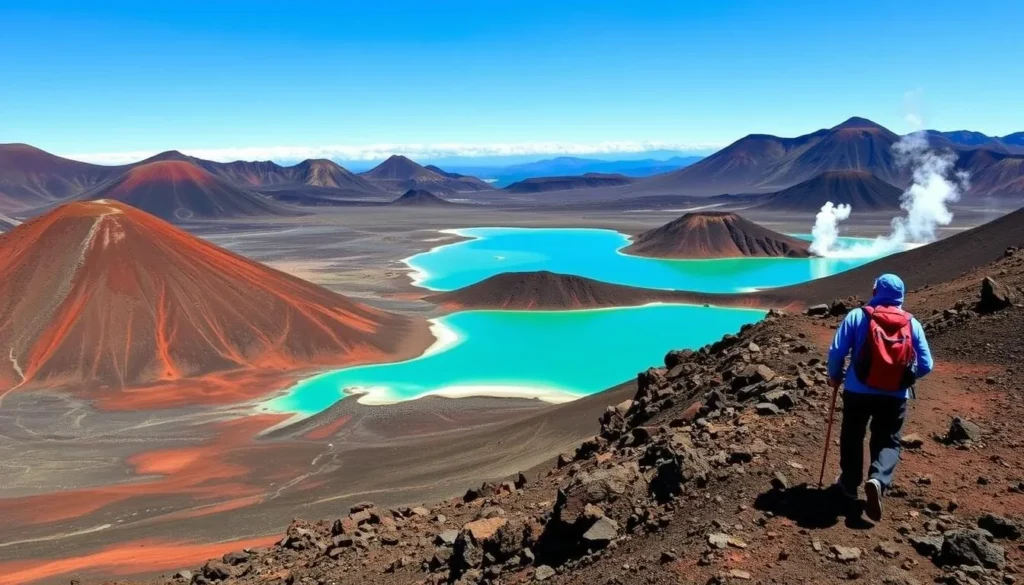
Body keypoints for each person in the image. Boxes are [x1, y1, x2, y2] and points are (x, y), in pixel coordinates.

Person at [827, 273, 933, 522]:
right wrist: (905, 378)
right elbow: (927, 364)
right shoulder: (911, 323)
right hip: (895, 395)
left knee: (852, 435)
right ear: (901, 295)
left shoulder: (857, 316)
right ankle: (878, 479)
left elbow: (836, 351)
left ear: (875, 291)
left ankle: (849, 485)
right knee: (888, 440)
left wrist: (835, 376)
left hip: (857, 390)